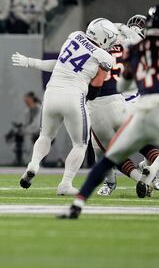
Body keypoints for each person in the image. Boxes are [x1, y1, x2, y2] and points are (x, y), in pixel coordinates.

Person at [59, 5, 159, 219]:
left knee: (108, 158)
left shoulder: (137, 48)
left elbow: (123, 85)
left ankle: (77, 206)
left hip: (142, 112)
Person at [13, 18, 118, 195]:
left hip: (52, 92)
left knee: (45, 135)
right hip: (73, 96)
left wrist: (30, 61)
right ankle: (65, 184)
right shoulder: (105, 57)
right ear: (104, 37)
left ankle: (34, 164)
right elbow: (96, 88)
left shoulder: (75, 36)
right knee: (80, 145)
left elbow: (59, 64)